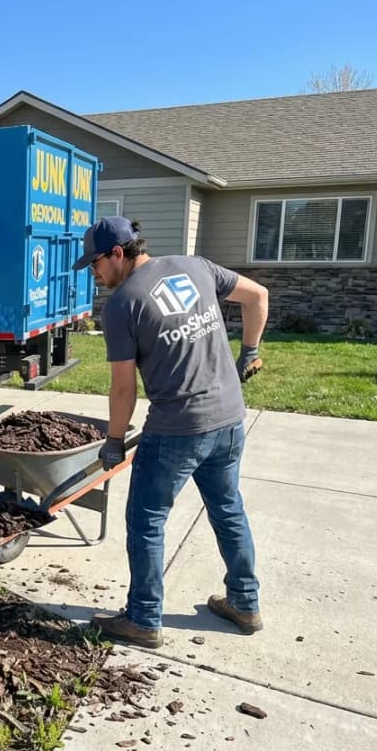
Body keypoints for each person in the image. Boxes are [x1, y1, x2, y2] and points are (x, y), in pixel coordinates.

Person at [75, 216, 269, 649]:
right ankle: (245, 603)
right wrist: (251, 352)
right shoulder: (196, 266)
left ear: (118, 253)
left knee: (146, 520)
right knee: (228, 509)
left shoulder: (123, 304)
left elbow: (123, 389)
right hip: (230, 420)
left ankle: (144, 619)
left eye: (96, 264)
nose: (95, 273)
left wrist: (111, 441)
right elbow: (258, 296)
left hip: (177, 429)